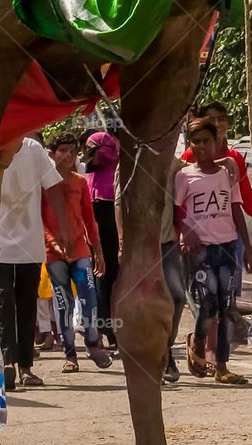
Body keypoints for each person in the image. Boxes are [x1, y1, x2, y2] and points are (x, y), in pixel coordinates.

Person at [175, 119, 252, 386]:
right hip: (201, 251)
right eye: (195, 141)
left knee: (228, 309)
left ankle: (221, 366)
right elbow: (177, 211)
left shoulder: (227, 174)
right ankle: (197, 341)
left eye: (206, 140)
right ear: (189, 144)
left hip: (228, 247)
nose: (200, 146)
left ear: (216, 143)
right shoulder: (184, 176)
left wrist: (248, 248)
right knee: (207, 307)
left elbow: (236, 209)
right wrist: (186, 231)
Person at [0, 134, 67, 389]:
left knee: (19, 307)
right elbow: (55, 189)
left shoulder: (33, 149)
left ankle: (20, 365)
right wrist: (62, 229)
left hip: (26, 244)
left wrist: (61, 229)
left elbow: (53, 188)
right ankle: (11, 365)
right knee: (11, 306)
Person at [42, 132, 111, 371]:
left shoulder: (80, 182)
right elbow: (39, 220)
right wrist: (51, 242)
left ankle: (93, 343)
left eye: (73, 150)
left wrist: (98, 251)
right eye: (63, 150)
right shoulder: (43, 183)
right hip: (55, 255)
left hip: (80, 252)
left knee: (89, 298)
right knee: (63, 303)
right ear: (52, 153)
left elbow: (89, 220)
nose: (69, 155)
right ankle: (70, 354)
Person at [115, 152, 185, 385]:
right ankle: (149, 359)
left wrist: (225, 162)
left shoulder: (173, 162)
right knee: (144, 302)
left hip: (166, 242)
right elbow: (118, 202)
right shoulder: (127, 163)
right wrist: (123, 241)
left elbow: (198, 166)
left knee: (177, 296)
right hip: (139, 245)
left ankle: (166, 348)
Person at [83, 126, 120, 349]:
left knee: (112, 283)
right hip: (94, 239)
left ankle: (114, 331)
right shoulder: (89, 175)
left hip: (114, 238)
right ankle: (104, 330)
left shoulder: (118, 173)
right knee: (98, 285)